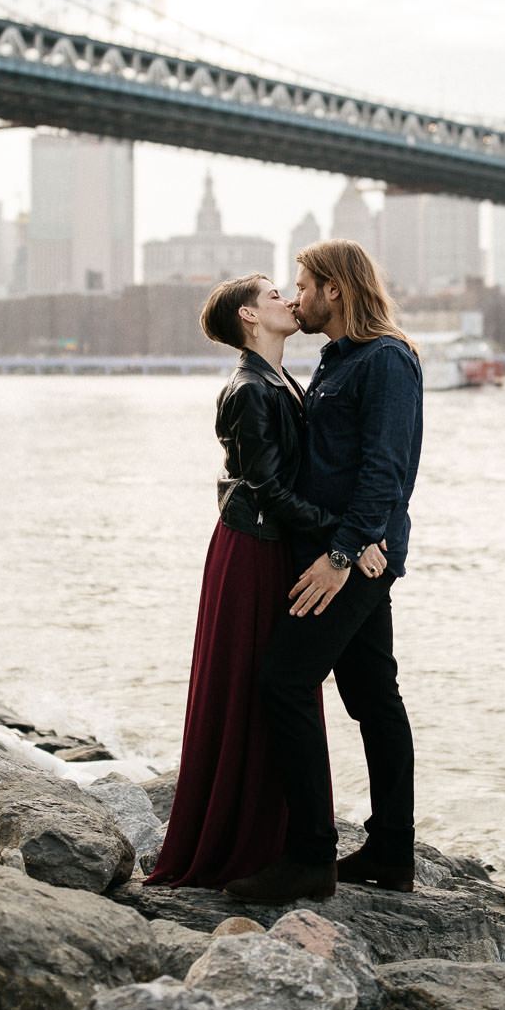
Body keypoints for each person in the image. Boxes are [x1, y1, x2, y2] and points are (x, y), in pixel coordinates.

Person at [145, 273, 380, 888]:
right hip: (250, 550)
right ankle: (255, 841)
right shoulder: (249, 389)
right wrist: (350, 539)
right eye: (276, 295)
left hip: (271, 548)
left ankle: (281, 837)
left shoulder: (280, 380)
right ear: (250, 317)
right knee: (259, 686)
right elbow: (267, 491)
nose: (290, 300)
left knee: (274, 689)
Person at [225, 238, 423, 904]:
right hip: (344, 549)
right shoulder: (340, 359)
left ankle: (312, 855)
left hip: (352, 559)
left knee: (283, 682)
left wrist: (345, 553)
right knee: (372, 696)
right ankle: (393, 851)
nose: (296, 296)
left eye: (304, 285)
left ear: (335, 290)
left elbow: (385, 470)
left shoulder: (387, 358)